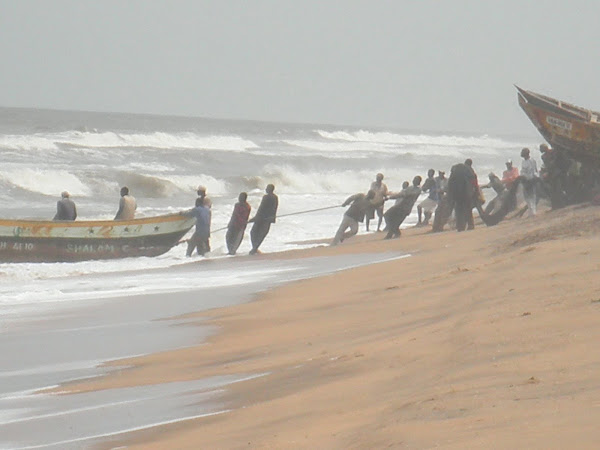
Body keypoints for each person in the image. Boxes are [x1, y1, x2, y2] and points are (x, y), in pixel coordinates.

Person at [248, 184, 278, 255]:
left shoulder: (266, 197)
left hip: (262, 218)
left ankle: (254, 248)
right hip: (267, 219)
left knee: (254, 233)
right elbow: (274, 209)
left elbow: (261, 208)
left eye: (267, 188)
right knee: (260, 234)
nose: (266, 189)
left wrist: (255, 218)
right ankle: (255, 248)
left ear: (270, 189)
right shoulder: (275, 197)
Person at [520, 147, 539, 216]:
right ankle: (531, 211)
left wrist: (533, 178)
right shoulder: (523, 162)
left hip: (530, 180)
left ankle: (533, 211)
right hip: (525, 180)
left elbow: (533, 171)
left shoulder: (532, 161)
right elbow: (523, 171)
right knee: (527, 196)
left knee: (532, 195)